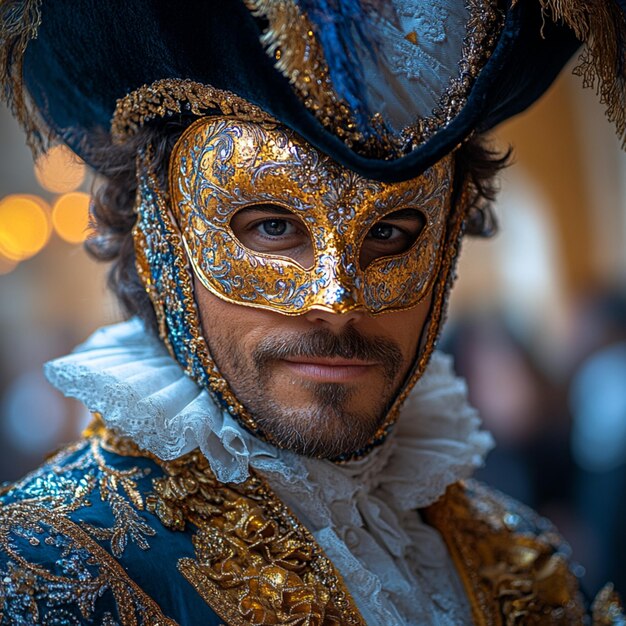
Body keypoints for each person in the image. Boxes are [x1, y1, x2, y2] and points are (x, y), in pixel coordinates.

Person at [0, 1, 624, 624]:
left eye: (390, 233)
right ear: (157, 232)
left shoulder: (525, 562)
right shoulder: (55, 571)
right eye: (272, 226)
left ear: (449, 240)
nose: (338, 302)